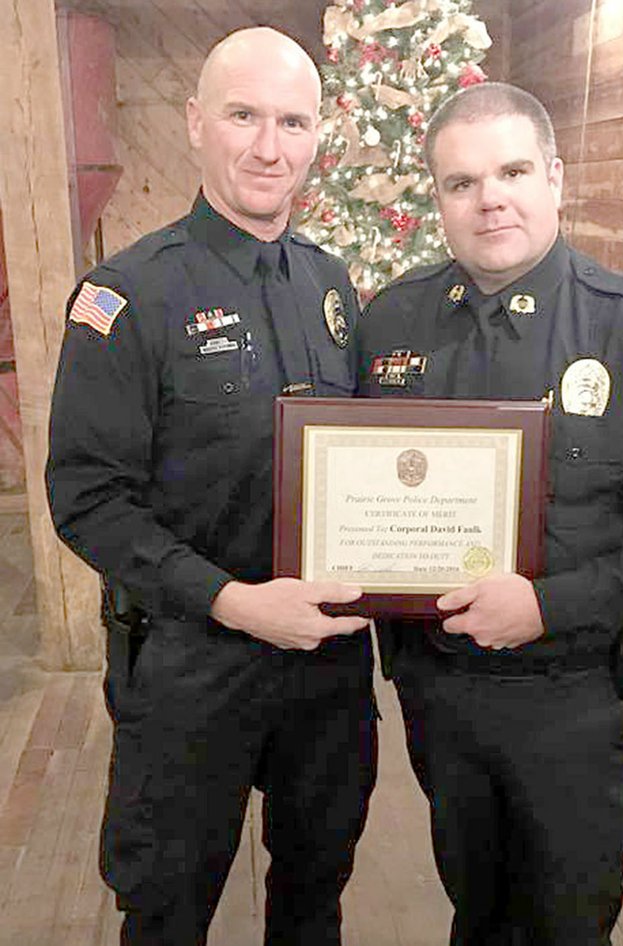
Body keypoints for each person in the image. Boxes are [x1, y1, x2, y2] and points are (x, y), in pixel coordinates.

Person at [356, 82, 623, 945]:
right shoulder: (392, 321)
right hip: (440, 696)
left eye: (511, 170)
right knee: (475, 906)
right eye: (461, 182)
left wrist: (547, 605)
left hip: (569, 701)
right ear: (438, 199)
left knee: (566, 923)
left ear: (556, 179)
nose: (489, 197)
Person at [46, 27, 376, 946]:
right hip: (193, 663)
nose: (269, 147)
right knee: (168, 904)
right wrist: (233, 603)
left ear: (318, 135)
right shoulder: (127, 296)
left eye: (293, 121)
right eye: (243, 115)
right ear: (197, 123)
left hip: (325, 663)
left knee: (316, 891)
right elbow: (87, 498)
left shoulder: (331, 286)